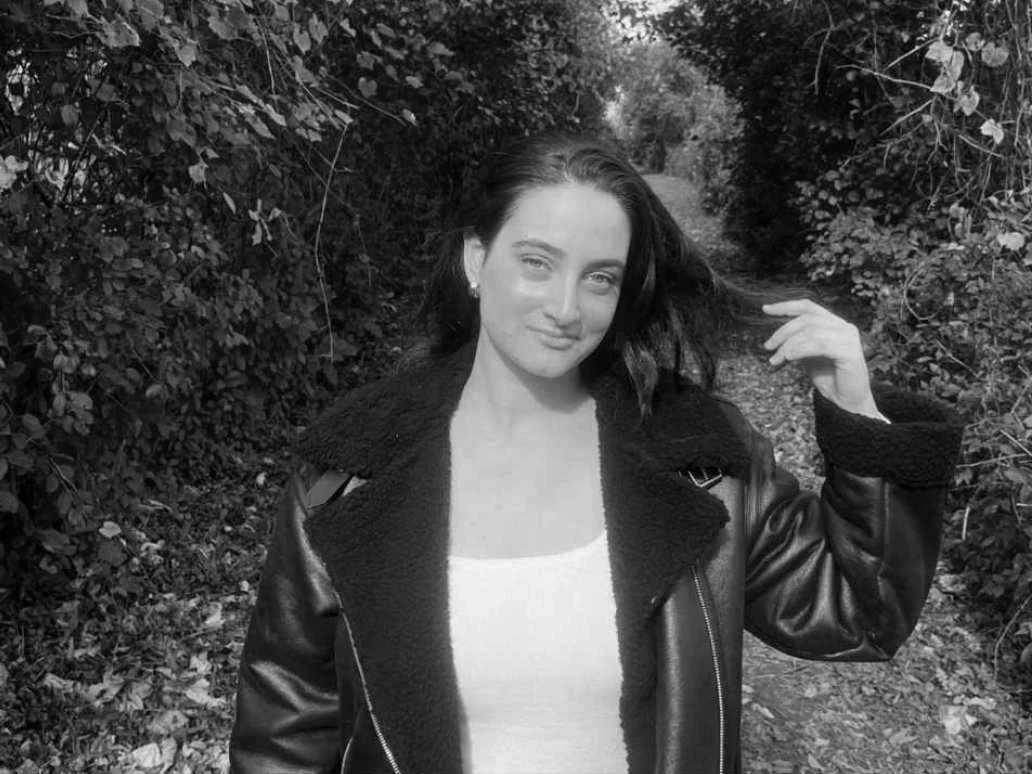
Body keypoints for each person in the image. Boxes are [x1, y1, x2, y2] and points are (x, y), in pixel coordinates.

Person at [228, 134, 963, 774]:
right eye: (537, 263)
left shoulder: (699, 460)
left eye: (600, 277)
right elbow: (285, 726)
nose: (566, 308)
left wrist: (858, 414)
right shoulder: (349, 472)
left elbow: (862, 611)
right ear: (476, 259)